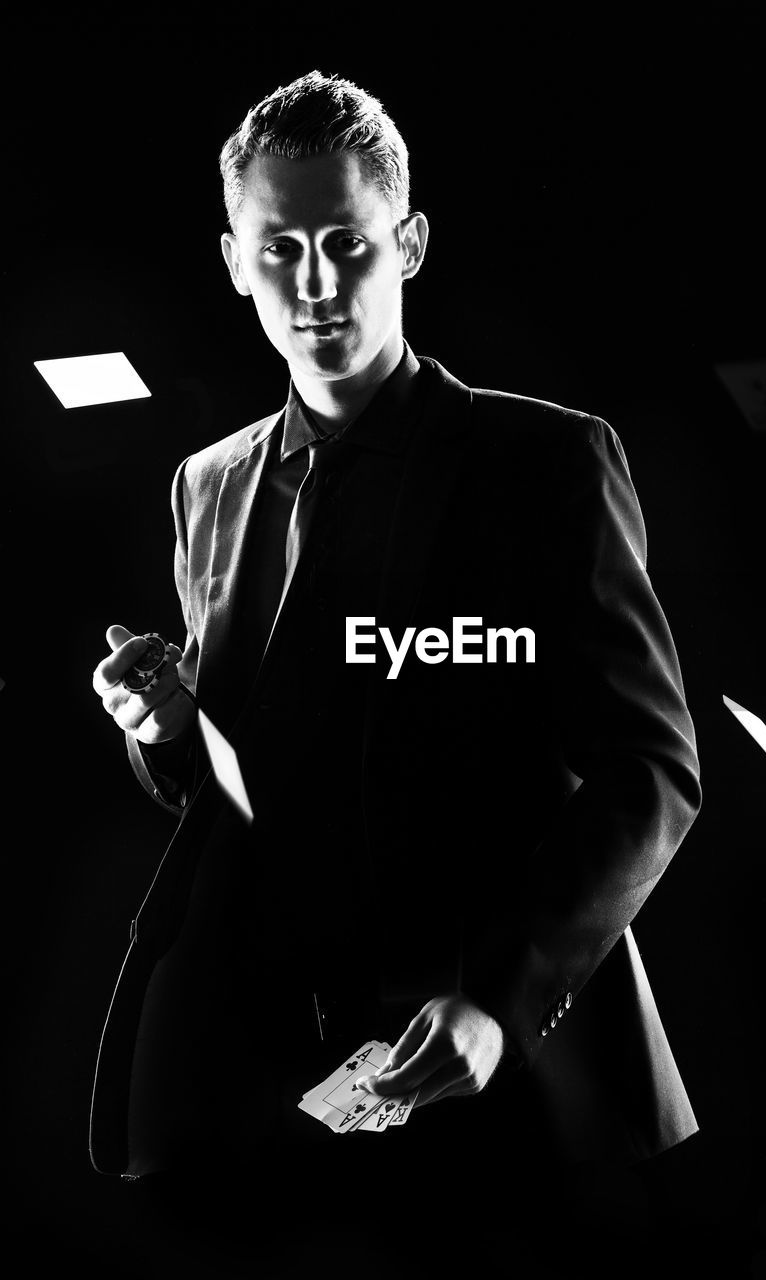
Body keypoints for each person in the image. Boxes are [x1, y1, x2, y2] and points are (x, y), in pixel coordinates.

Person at [89, 71, 701, 1270]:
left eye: (347, 243)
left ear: (407, 242)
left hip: (508, 1073)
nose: (315, 285)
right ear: (232, 258)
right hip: (285, 1072)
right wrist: (160, 725)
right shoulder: (204, 484)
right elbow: (234, 778)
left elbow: (653, 771)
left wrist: (500, 998)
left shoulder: (548, 461)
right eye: (281, 249)